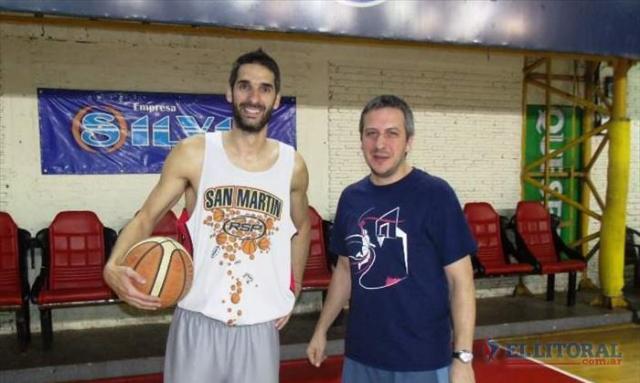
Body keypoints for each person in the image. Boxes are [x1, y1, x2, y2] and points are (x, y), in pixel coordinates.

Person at [104, 49, 310, 383]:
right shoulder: (195, 153)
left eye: (265, 88)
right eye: (244, 86)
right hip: (198, 317)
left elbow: (301, 228)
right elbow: (146, 216)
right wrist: (112, 265)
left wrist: (294, 287)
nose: (254, 97)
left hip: (259, 326)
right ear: (230, 93)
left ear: (276, 100)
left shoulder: (293, 165)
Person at [307, 95, 477, 383]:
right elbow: (346, 270)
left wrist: (463, 357)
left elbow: (462, 282)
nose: (380, 144)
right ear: (361, 140)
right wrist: (321, 330)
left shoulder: (436, 195)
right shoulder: (351, 198)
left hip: (421, 359)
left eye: (392, 134)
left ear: (409, 141)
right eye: (371, 134)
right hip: (361, 355)